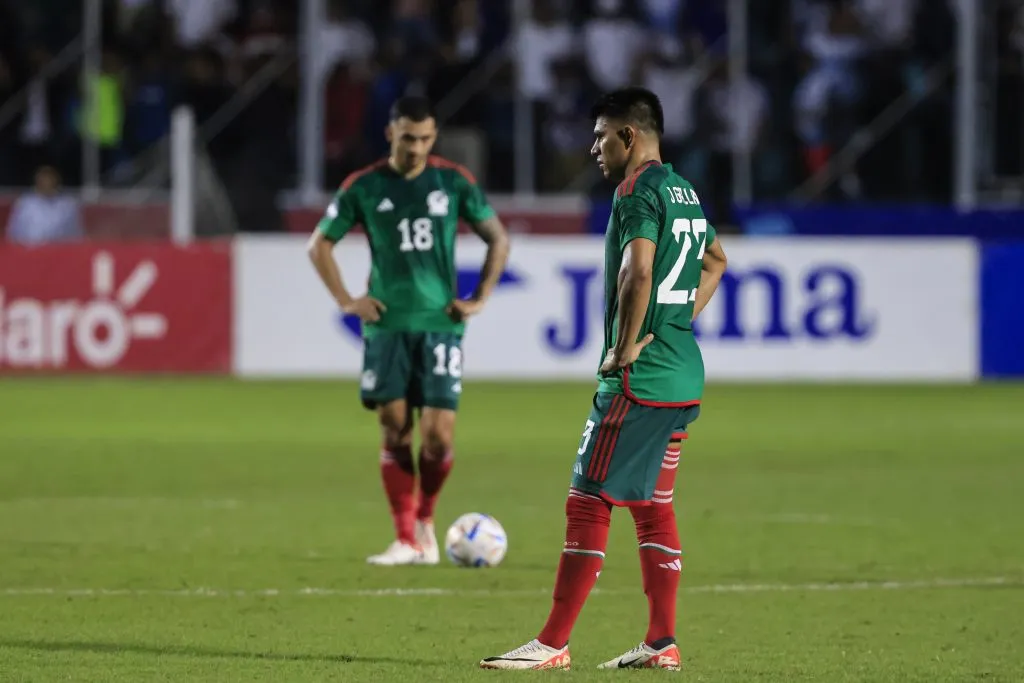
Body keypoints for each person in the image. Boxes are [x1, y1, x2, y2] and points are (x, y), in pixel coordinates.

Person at [481, 87, 728, 671]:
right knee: (653, 505)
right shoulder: (684, 190)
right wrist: (677, 321)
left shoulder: (637, 191)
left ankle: (552, 642)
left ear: (629, 136)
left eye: (600, 136)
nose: (593, 147)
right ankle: (661, 642)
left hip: (639, 382)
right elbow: (716, 258)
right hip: (683, 376)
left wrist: (623, 348)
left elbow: (637, 271)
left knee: (587, 499)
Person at [307, 95, 510, 566]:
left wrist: (480, 296)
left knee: (438, 436)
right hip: (388, 324)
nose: (416, 148)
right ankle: (405, 539)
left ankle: (425, 522)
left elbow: (497, 237)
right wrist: (346, 301)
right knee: (395, 429)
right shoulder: (364, 186)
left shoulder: (453, 181)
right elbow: (319, 246)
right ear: (390, 134)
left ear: (433, 136)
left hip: (441, 324)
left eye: (424, 138)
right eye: (408, 138)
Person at [5, 165, 83, 245]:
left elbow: (75, 235)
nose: (47, 182)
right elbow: (13, 233)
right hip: (29, 251)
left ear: (56, 181)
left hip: (58, 251)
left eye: (49, 179)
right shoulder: (25, 204)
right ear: (37, 181)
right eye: (43, 179)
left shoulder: (67, 205)